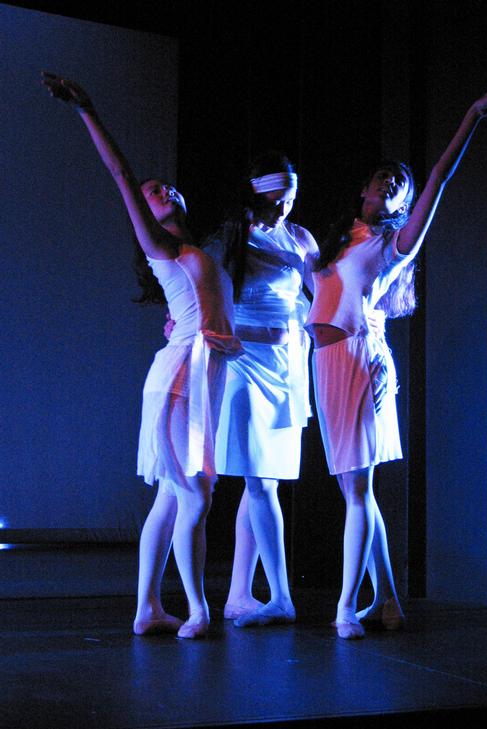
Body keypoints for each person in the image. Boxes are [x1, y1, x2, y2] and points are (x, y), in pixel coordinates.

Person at [305, 80, 487, 638]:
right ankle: (390, 602)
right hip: (323, 363)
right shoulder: (336, 241)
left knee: (358, 492)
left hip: (360, 360)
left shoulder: (392, 244)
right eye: (384, 176)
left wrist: (473, 113)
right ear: (364, 188)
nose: (391, 182)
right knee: (355, 491)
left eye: (399, 183)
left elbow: (439, 178)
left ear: (403, 205)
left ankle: (346, 608)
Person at [42, 72, 242, 639]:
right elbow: (120, 174)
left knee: (171, 496)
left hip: (202, 376)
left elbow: (217, 316)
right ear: (145, 215)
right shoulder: (164, 249)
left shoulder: (200, 252)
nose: (165, 191)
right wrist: (86, 107)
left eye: (170, 187)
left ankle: (148, 607)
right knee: (196, 494)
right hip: (181, 377)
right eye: (154, 192)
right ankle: (198, 609)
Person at [204, 151, 319, 626]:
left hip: (286, 365)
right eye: (276, 199)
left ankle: (238, 594)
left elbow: (326, 296)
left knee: (261, 478)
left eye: (290, 199)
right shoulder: (230, 238)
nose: (284, 208)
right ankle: (282, 596)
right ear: (257, 194)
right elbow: (207, 299)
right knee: (260, 480)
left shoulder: (300, 237)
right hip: (243, 362)